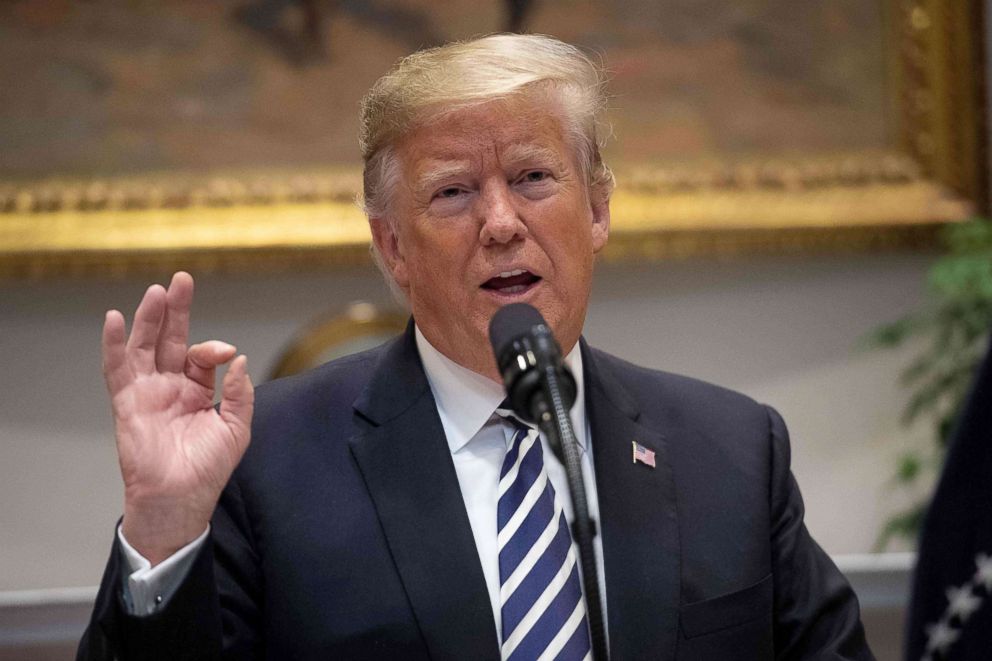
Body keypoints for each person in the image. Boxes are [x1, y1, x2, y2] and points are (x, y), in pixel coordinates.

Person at [78, 34, 873, 660]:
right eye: (454, 191)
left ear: (597, 210)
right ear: (392, 246)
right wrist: (164, 529)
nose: (500, 222)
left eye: (532, 177)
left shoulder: (731, 450)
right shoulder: (265, 463)